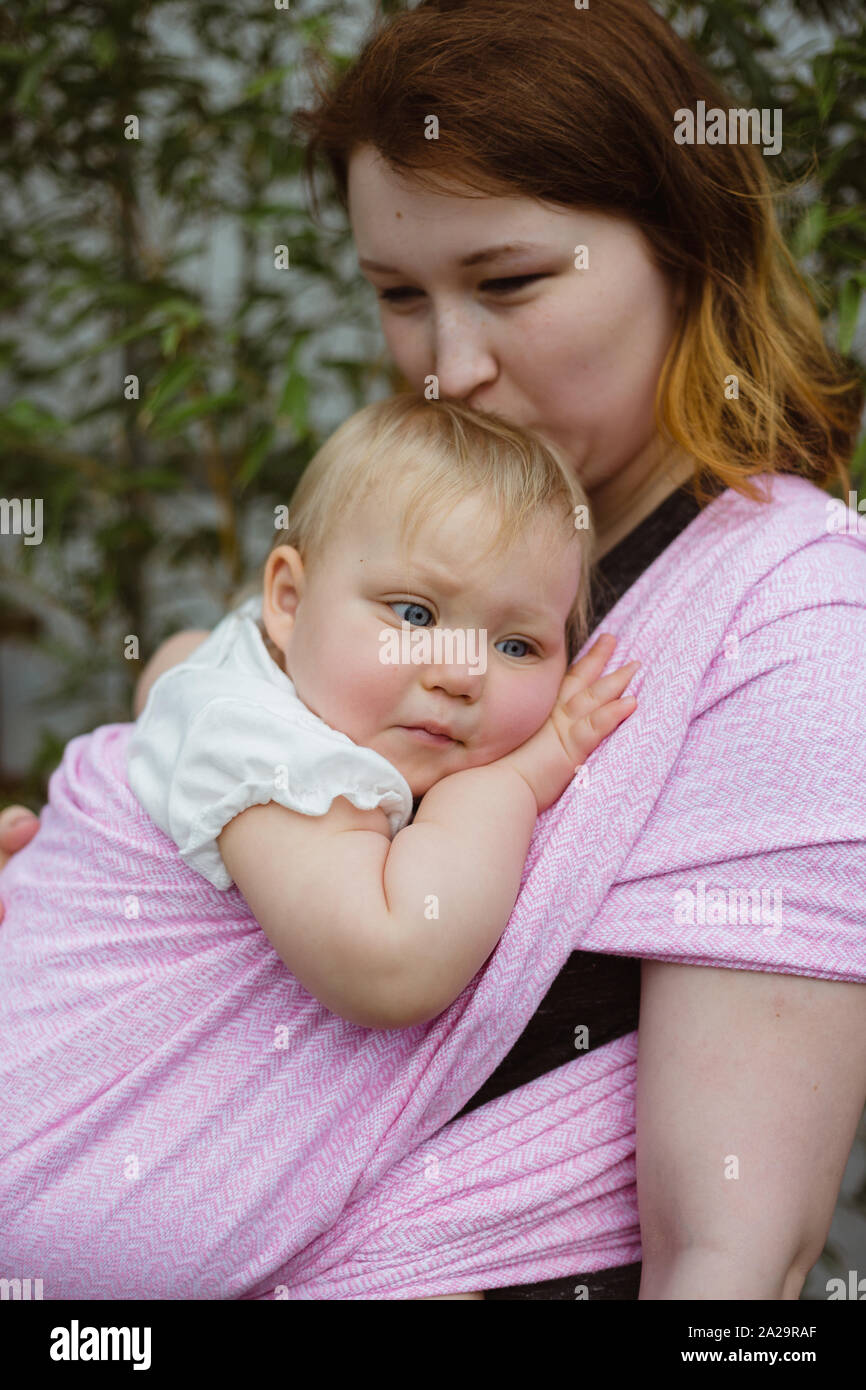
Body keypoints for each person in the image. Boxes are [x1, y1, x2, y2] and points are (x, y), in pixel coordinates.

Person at [3, 0, 865, 1299]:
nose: (444, 365)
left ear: (687, 245)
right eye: (398, 296)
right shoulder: (432, 546)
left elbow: (735, 1253)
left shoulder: (783, 619)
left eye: (508, 282)